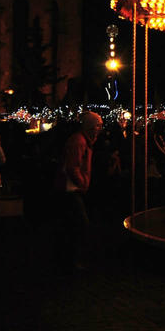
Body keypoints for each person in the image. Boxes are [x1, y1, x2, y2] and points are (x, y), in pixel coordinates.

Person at [53, 111, 102, 270]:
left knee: (73, 224)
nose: (99, 129)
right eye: (97, 125)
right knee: (79, 224)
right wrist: (82, 183)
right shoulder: (79, 142)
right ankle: (71, 260)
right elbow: (72, 167)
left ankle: (69, 258)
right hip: (71, 188)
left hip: (73, 187)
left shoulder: (83, 140)